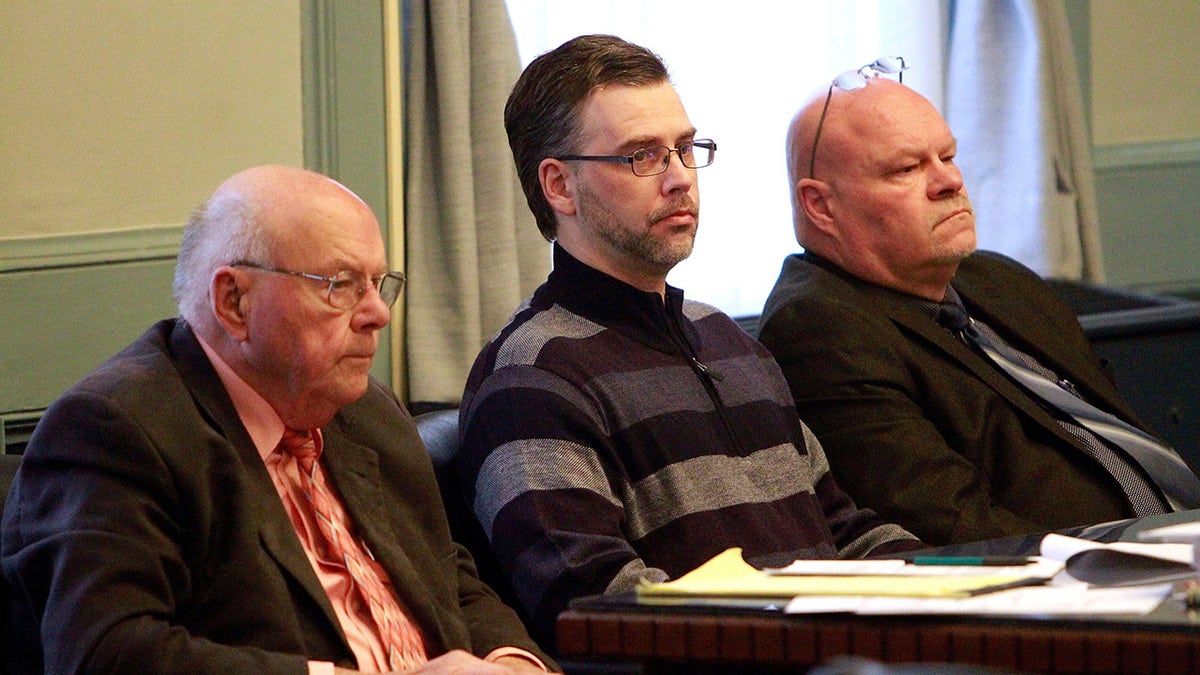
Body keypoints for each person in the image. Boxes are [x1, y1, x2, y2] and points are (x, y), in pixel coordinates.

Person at [455, 35, 923, 645]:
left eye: (684, 148)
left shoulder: (728, 342)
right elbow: (601, 610)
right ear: (559, 187)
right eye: (641, 156)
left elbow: (841, 531)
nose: (680, 179)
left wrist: (981, 584)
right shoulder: (530, 379)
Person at [1, 165, 554, 674]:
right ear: (234, 302)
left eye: (379, 283)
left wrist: (513, 665)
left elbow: (448, 580)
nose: (378, 313)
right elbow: (106, 653)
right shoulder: (117, 430)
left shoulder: (365, 410)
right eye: (340, 285)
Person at [758, 64, 1200, 547]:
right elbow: (959, 530)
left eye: (947, 156)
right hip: (1087, 586)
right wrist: (1138, 565)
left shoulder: (998, 280)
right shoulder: (820, 328)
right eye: (907, 168)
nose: (948, 181)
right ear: (821, 206)